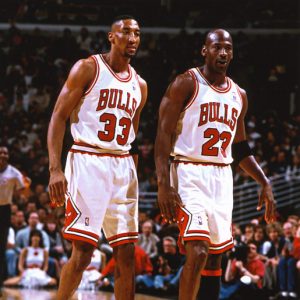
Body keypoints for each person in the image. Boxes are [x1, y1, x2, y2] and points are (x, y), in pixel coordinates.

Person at [154, 29, 276, 300]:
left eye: (228, 48)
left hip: (221, 176)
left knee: (215, 259)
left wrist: (264, 181)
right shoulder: (185, 83)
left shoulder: (239, 95)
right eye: (217, 47)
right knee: (197, 250)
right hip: (188, 171)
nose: (223, 53)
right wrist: (163, 183)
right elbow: (162, 136)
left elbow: (241, 148)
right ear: (204, 50)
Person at [47, 15, 147, 300]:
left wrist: (133, 174)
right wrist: (55, 169)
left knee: (127, 253)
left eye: (137, 33)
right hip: (88, 159)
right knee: (83, 252)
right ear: (111, 36)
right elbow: (57, 117)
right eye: (126, 32)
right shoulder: (88, 68)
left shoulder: (140, 85)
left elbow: (132, 136)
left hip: (122, 165)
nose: (132, 38)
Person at [0, 145, 25, 287]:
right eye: (1, 152)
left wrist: (25, 186)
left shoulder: (14, 173)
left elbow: (23, 191)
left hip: (4, 210)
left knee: (1, 248)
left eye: (5, 153)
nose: (3, 155)